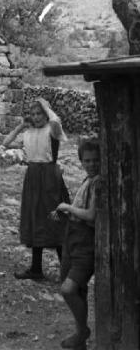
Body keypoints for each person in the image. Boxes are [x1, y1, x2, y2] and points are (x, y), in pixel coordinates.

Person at [2, 97, 70, 280]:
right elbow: (5, 143)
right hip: (33, 177)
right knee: (35, 219)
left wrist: (46, 107)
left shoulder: (52, 130)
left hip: (49, 178)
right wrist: (20, 127)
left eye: (39, 113)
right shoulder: (29, 133)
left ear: (45, 114)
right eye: (33, 114)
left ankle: (66, 271)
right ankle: (36, 269)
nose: (36, 117)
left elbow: (55, 121)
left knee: (54, 218)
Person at [50, 138, 100, 349]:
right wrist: (64, 213)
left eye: (95, 160)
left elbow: (91, 216)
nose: (90, 164)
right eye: (86, 160)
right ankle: (80, 335)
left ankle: (83, 330)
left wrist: (68, 208)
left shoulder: (99, 183)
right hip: (73, 238)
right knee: (76, 290)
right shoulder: (88, 180)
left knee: (69, 289)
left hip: (85, 243)